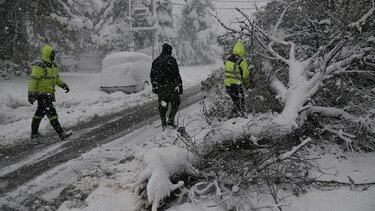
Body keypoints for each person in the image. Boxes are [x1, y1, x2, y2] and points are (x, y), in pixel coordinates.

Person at [28, 44, 72, 139]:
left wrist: (63, 85)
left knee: (39, 114)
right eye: (53, 54)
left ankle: (34, 133)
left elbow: (56, 79)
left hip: (48, 95)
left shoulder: (53, 66)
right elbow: (33, 80)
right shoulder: (40, 66)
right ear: (48, 54)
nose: (54, 56)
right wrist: (31, 94)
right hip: (42, 95)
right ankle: (61, 133)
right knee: (52, 114)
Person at [150, 43, 183, 130]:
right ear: (169, 51)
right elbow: (176, 74)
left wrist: (154, 86)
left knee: (163, 106)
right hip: (171, 87)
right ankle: (171, 119)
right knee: (176, 102)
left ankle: (164, 124)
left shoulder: (156, 61)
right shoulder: (172, 60)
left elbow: (152, 75)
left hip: (161, 88)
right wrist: (180, 85)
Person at [224, 41, 250, 117]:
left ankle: (233, 117)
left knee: (236, 102)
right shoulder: (241, 61)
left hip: (228, 85)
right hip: (236, 85)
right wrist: (246, 84)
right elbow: (245, 74)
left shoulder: (228, 59)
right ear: (242, 50)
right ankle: (240, 119)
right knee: (241, 103)